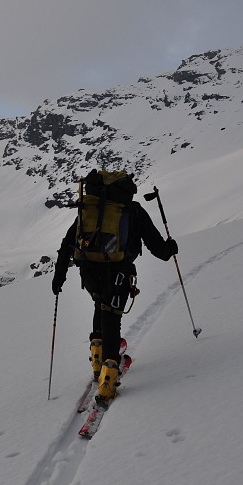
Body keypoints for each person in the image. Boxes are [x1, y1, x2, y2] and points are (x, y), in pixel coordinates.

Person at [51, 170, 178, 407]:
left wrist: (59, 277)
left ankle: (97, 357)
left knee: (99, 304)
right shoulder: (132, 210)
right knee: (112, 316)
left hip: (88, 271)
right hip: (118, 273)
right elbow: (159, 250)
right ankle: (108, 378)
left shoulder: (88, 207)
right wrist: (171, 247)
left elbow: (68, 243)